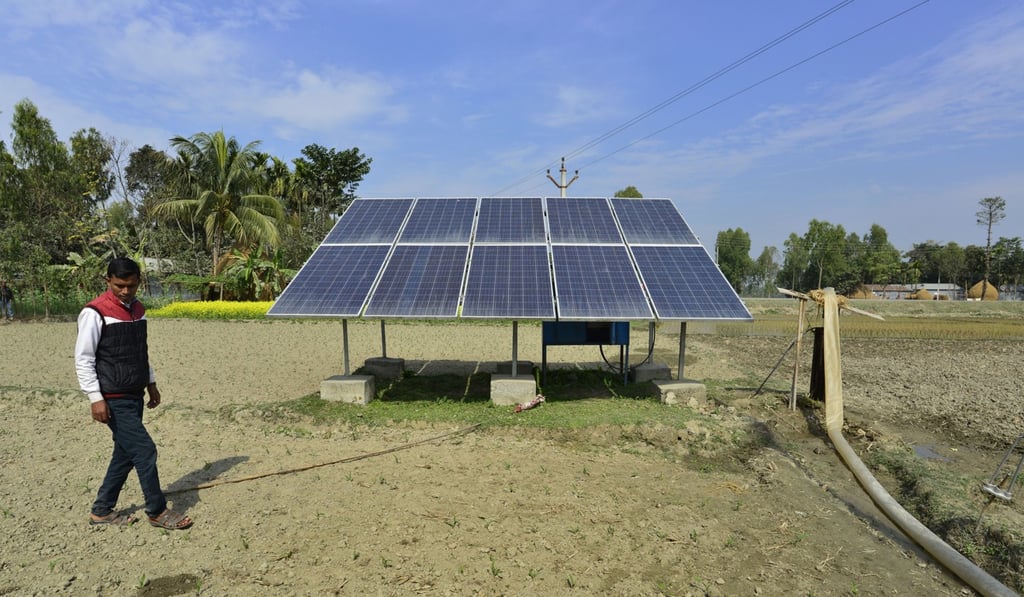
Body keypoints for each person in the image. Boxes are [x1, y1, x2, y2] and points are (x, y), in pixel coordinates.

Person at [74, 258, 193, 530]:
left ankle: (101, 510)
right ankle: (157, 511)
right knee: (144, 450)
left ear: (139, 281)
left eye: (131, 285)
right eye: (119, 286)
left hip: (135, 393)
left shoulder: (138, 309)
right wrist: (95, 398)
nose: (125, 291)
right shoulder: (95, 312)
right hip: (113, 397)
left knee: (125, 454)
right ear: (108, 281)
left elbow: (141, 351)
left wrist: (151, 383)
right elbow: (83, 359)